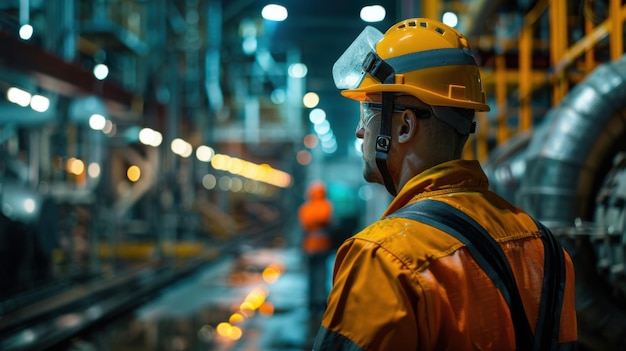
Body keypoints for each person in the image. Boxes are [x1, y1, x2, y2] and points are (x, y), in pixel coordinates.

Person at [313, 18, 577, 350]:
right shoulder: (547, 248)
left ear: (405, 127)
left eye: (368, 112)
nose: (360, 131)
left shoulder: (384, 260)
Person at [298, 182, 334, 329]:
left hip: (309, 248)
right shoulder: (327, 206)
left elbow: (303, 229)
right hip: (323, 246)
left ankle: (311, 302)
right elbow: (333, 225)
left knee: (311, 276)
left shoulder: (305, 209)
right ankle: (321, 302)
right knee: (322, 274)